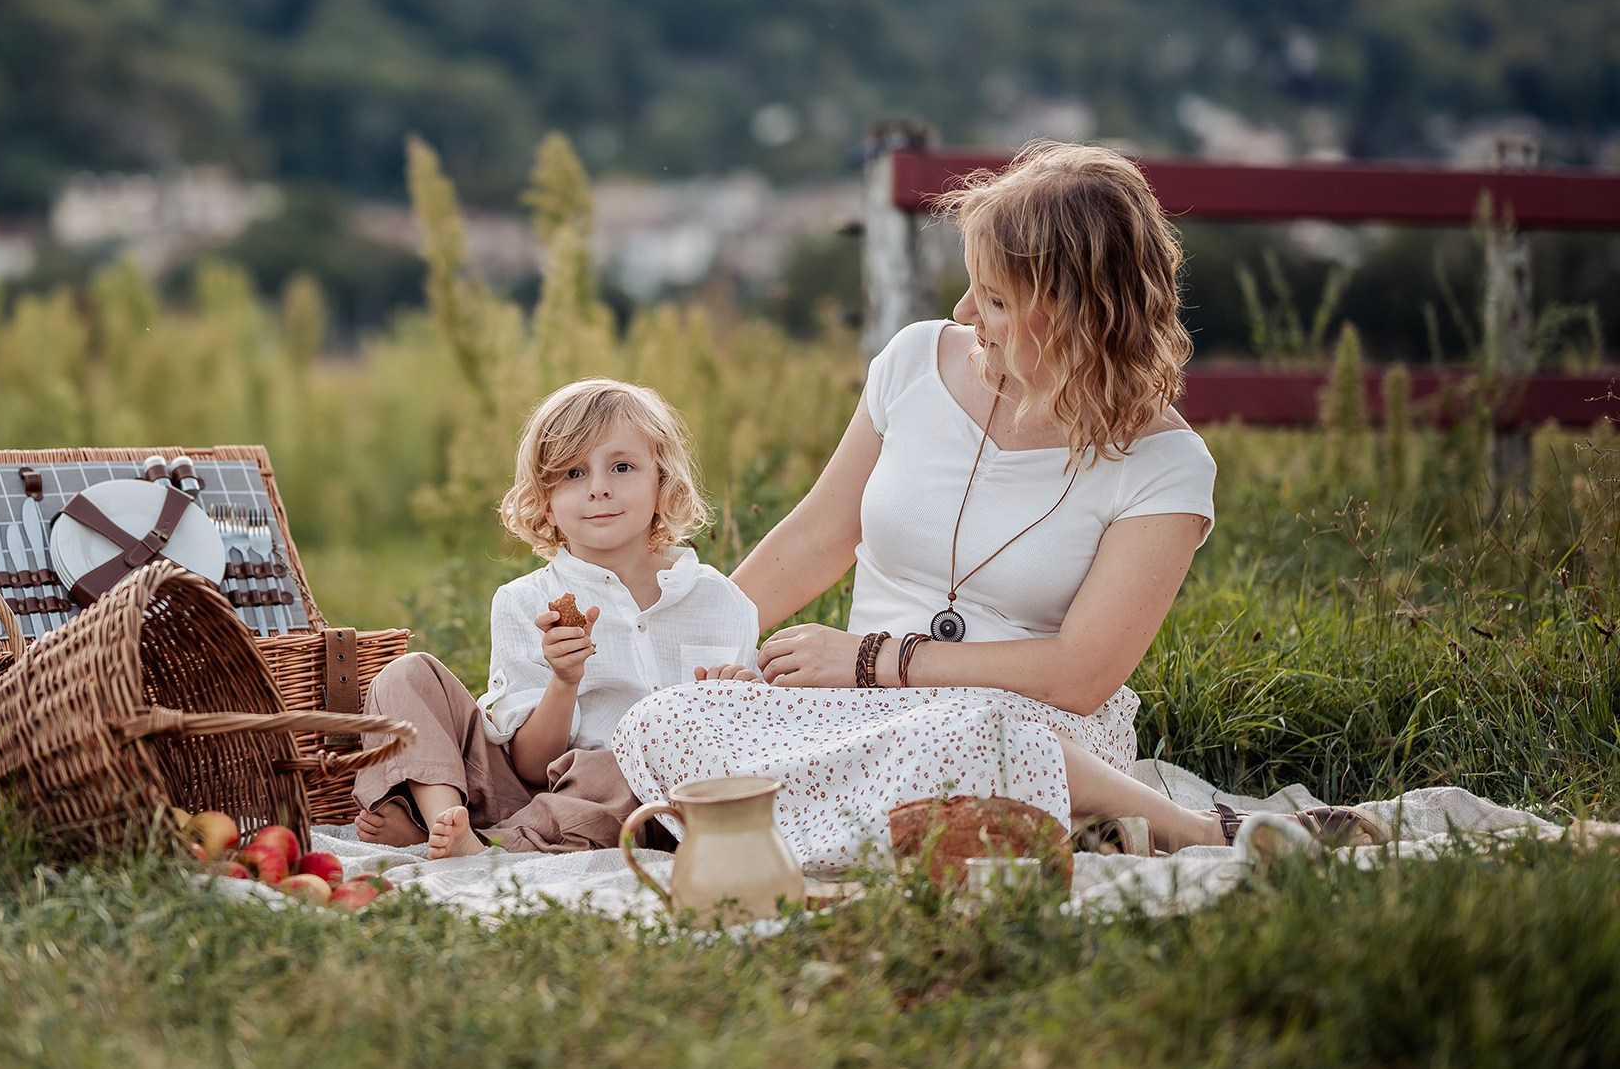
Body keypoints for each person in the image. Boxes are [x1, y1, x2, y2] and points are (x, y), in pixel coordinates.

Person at [611, 141, 1377, 872]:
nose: (966, 309)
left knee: (980, 735)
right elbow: (815, 535)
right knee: (661, 720)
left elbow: (1079, 674)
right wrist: (699, 661)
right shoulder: (913, 362)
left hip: (1030, 724)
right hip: (857, 711)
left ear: (1079, 311)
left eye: (997, 297)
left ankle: (1194, 829)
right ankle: (977, 825)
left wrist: (873, 658)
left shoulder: (1166, 466)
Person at [353, 377, 760, 859]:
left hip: (632, 800)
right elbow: (530, 766)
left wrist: (737, 700)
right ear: (545, 502)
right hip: (521, 792)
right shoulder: (525, 601)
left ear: (663, 481)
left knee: (614, 767)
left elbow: (743, 752)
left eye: (622, 467)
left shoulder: (719, 600)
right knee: (406, 674)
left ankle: (475, 841)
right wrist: (564, 682)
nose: (599, 489)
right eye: (573, 473)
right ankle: (447, 822)